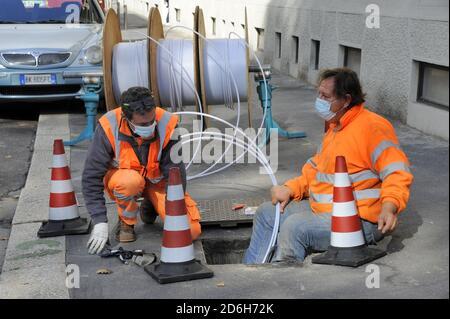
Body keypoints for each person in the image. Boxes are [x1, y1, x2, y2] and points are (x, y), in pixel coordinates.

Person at [243, 68, 414, 264]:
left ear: (347, 100)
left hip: (361, 220)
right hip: (323, 209)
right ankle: (250, 271)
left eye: (326, 96)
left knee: (294, 227)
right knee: (266, 213)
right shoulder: (335, 127)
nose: (320, 100)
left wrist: (389, 207)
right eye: (319, 94)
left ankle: (281, 280)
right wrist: (290, 189)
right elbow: (315, 172)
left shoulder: (372, 127)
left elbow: (397, 171)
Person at [84, 87, 201, 255]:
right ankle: (126, 221)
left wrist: (172, 207)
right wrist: (99, 220)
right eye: (143, 124)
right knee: (129, 182)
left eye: (152, 121)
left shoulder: (167, 123)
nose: (150, 127)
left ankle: (150, 204)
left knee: (190, 231)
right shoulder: (108, 126)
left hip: (157, 183)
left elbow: (175, 172)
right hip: (125, 181)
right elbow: (91, 176)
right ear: (126, 118)